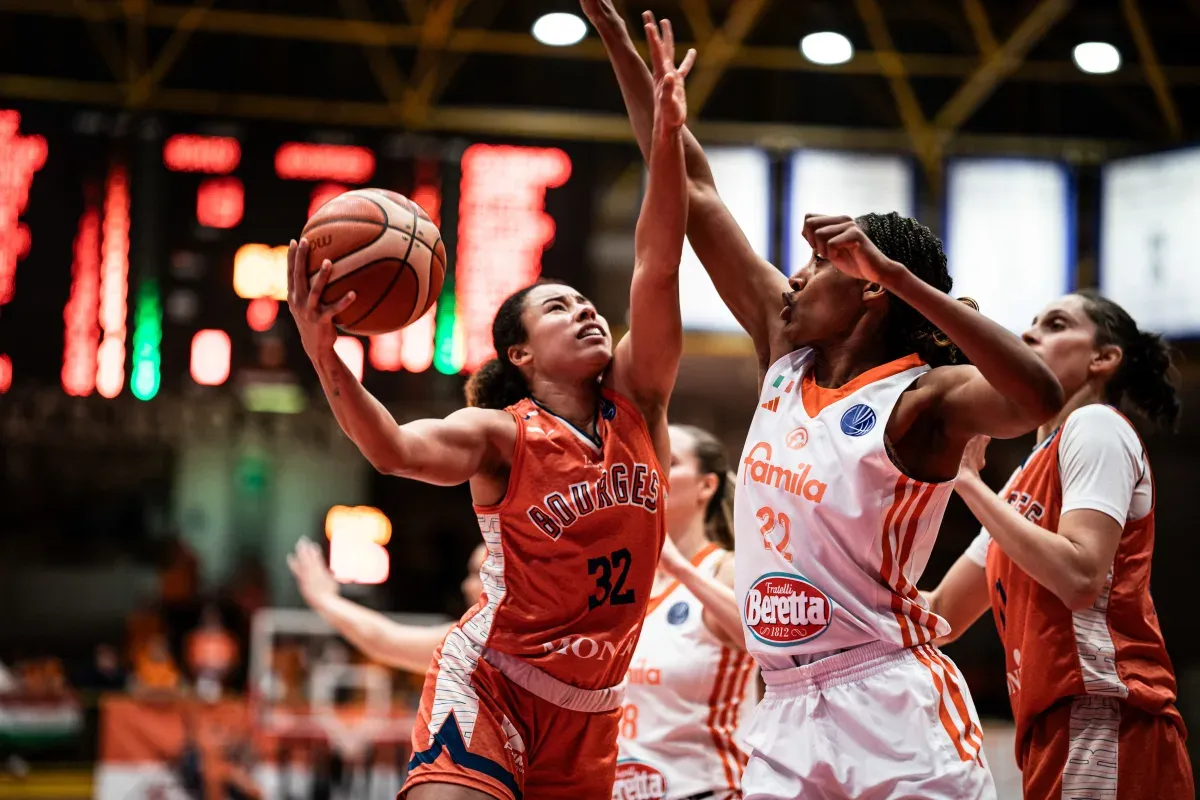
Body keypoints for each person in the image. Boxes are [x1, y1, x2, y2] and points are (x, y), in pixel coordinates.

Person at [584, 5, 1065, 797]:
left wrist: (901, 274)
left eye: (823, 263)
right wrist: (627, 58)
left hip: (891, 703)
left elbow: (1035, 394)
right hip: (782, 709)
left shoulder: (921, 400)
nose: (798, 274)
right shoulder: (785, 354)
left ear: (872, 288)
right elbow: (693, 185)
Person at [286, 20, 694, 799]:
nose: (585, 311)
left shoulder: (642, 398)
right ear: (521, 355)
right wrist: (321, 351)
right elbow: (393, 452)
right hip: (491, 683)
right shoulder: (499, 435)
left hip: (593, 714)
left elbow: (658, 258)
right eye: (558, 307)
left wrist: (667, 135)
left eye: (585, 302)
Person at [291, 425, 758, 800]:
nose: (654, 469)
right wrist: (327, 602)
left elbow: (764, 644)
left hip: (705, 788)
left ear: (707, 486)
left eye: (670, 463)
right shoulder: (607, 591)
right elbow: (393, 641)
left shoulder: (723, 569)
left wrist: (678, 567)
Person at [924, 291, 1193, 800]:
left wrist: (967, 483)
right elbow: (942, 613)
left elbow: (1079, 577)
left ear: (1103, 358)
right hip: (1054, 728)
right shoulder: (1025, 477)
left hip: (1107, 716)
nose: (1029, 334)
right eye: (1030, 323)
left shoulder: (1095, 426)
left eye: (1055, 324)